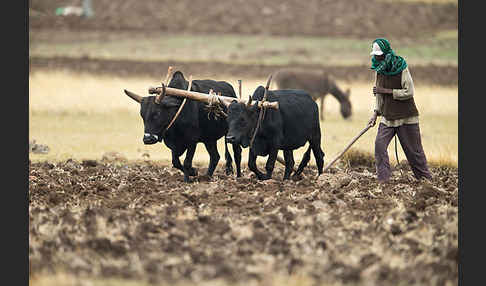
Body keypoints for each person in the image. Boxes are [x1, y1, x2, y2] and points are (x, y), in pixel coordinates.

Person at [367, 38, 432, 183]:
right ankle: (384, 182)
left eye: (378, 55)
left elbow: (409, 91)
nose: (376, 57)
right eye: (375, 55)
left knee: (414, 152)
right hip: (387, 118)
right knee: (379, 146)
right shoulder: (378, 70)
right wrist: (375, 112)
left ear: (386, 54)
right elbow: (378, 94)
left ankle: (426, 181)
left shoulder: (401, 67)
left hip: (406, 118)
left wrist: (387, 91)